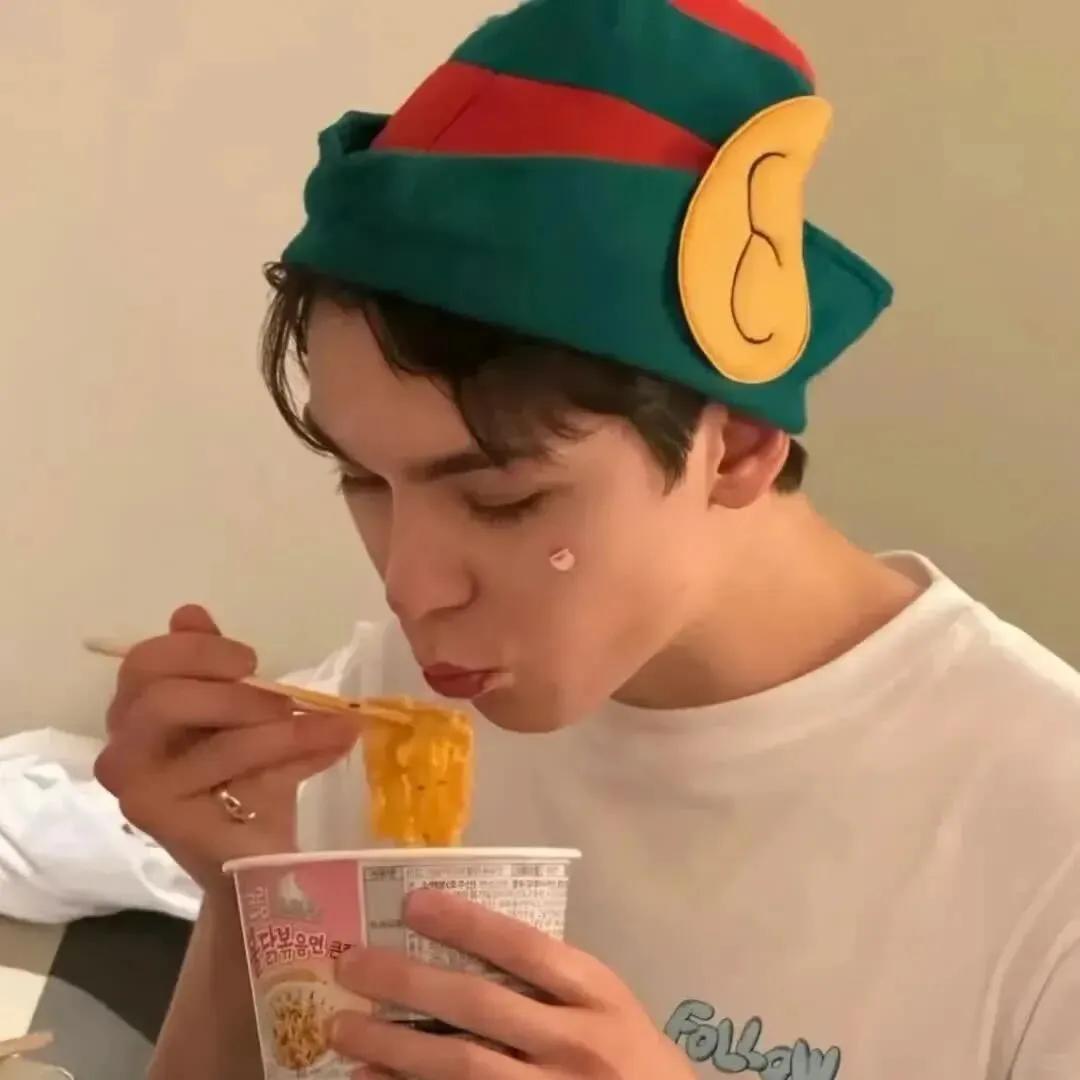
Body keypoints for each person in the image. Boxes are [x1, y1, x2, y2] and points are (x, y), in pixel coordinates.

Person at [94, 0, 1080, 1077]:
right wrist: (248, 894)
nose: (410, 590)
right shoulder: (386, 714)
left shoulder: (1042, 825)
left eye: (503, 500)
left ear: (739, 446)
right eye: (364, 480)